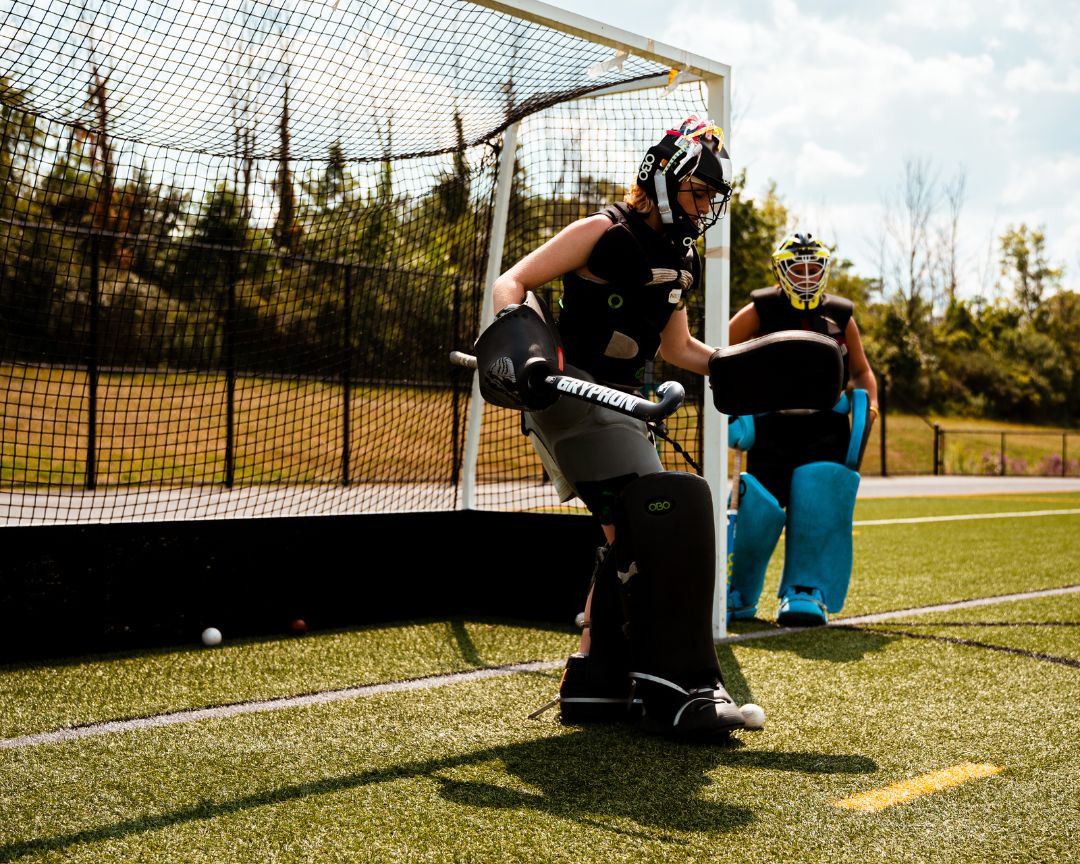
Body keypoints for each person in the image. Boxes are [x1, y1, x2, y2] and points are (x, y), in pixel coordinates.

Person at [476, 116, 747, 737]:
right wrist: (523, 343)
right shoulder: (601, 232)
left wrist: (743, 366)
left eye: (711, 196)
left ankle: (597, 681)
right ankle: (675, 686)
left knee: (633, 526)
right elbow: (512, 281)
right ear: (661, 179)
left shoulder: (681, 262)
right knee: (662, 515)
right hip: (568, 394)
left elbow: (678, 348)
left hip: (626, 406)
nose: (704, 206)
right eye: (696, 192)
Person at [726, 232, 878, 626]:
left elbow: (861, 371)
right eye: (798, 267)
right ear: (781, 270)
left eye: (814, 267)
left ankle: (806, 591)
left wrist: (870, 404)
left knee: (818, 502)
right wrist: (734, 409)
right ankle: (737, 592)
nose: (807, 274)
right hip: (771, 425)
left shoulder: (841, 315)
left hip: (826, 428)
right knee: (756, 507)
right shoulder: (761, 309)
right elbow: (717, 352)